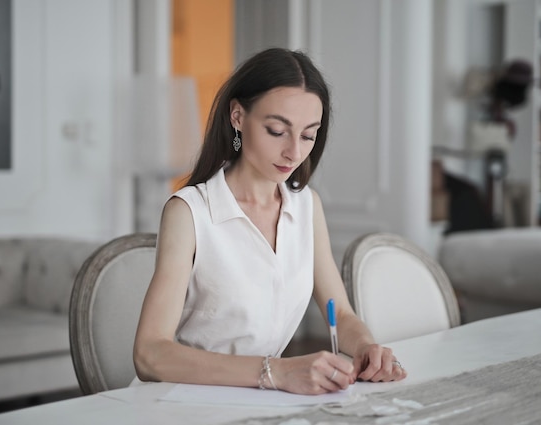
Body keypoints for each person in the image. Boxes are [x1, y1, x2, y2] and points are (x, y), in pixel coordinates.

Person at [133, 48, 407, 395]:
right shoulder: (190, 211)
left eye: (309, 135)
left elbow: (343, 313)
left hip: (262, 403)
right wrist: (276, 372)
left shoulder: (306, 206)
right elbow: (149, 354)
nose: (294, 152)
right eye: (277, 130)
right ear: (237, 116)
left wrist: (367, 347)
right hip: (182, 402)